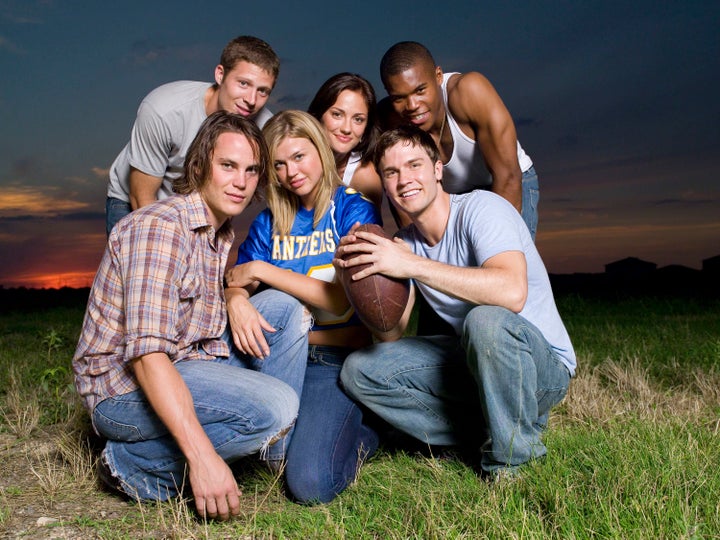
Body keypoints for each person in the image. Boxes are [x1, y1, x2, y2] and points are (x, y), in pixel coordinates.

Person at [73, 111, 302, 520]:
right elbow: (146, 358)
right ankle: (132, 465)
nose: (241, 181)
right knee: (277, 405)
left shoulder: (220, 232)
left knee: (284, 309)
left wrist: (235, 296)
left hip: (187, 363)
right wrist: (201, 457)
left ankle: (270, 456)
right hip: (122, 393)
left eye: (251, 170)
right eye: (228, 166)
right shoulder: (162, 228)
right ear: (199, 167)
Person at [336, 126, 575, 478]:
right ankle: (484, 432)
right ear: (385, 183)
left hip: (541, 369)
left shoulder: (482, 208)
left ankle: (513, 462)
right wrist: (358, 275)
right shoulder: (404, 243)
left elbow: (511, 292)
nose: (404, 180)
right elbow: (389, 334)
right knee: (360, 370)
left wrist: (413, 265)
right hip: (475, 362)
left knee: (486, 320)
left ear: (437, 169)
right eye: (392, 172)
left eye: (414, 165)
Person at [224, 110, 381, 504]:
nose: (290, 171)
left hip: (330, 360)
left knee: (310, 483)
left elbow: (341, 297)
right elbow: (236, 281)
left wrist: (262, 270)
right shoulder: (267, 222)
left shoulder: (353, 209)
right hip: (274, 360)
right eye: (278, 164)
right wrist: (236, 300)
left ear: (320, 150)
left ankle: (371, 431)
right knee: (253, 458)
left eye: (299, 156)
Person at [105, 35, 280, 235]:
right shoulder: (164, 111)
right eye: (243, 83)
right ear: (220, 74)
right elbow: (141, 197)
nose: (251, 99)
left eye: (263, 91)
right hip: (136, 201)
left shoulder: (264, 127)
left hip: (199, 207)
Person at [378, 41, 539, 240]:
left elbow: (508, 176)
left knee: (503, 262)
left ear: (438, 76)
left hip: (507, 181)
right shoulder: (389, 118)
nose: (412, 105)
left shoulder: (468, 92)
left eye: (420, 91)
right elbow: (398, 192)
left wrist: (495, 247)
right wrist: (417, 249)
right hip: (455, 196)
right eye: (399, 98)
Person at [308, 72, 383, 208]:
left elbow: (369, 227)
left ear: (366, 127)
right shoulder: (295, 157)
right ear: (319, 115)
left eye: (358, 119)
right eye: (337, 114)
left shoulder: (365, 177)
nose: (347, 128)